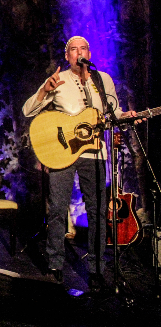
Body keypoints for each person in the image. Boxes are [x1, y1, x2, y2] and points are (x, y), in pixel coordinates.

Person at [23, 36, 139, 291]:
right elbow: (28, 110)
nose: (78, 53)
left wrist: (126, 116)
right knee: (57, 209)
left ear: (89, 52)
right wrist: (45, 90)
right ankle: (55, 266)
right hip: (62, 152)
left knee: (97, 211)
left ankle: (97, 269)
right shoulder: (58, 79)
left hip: (94, 152)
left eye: (83, 48)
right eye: (73, 49)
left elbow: (113, 111)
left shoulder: (102, 79)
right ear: (67, 56)